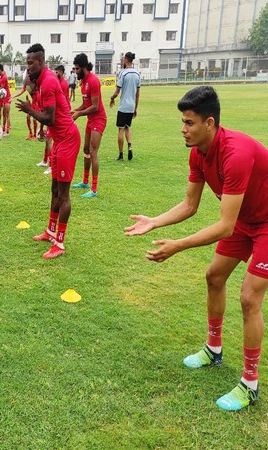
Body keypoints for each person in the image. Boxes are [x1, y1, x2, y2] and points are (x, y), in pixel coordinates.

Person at [125, 86, 268, 411]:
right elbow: (190, 205)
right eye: (182, 121)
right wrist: (155, 222)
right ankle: (214, 349)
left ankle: (249, 383)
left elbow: (224, 226)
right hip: (246, 221)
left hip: (266, 224)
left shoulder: (237, 154)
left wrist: (177, 245)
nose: (183, 128)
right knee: (214, 277)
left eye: (189, 122)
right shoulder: (198, 153)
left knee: (249, 298)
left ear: (210, 123)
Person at [16, 43, 81, 259]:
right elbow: (47, 115)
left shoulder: (50, 81)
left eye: (30, 63)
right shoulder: (41, 82)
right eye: (26, 63)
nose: (27, 67)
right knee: (54, 189)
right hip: (59, 140)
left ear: (41, 61)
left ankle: (59, 244)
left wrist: (29, 110)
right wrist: (42, 128)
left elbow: (49, 117)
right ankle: (50, 231)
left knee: (63, 194)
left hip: (68, 140)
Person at [71, 53, 107, 199]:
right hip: (90, 119)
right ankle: (85, 182)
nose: (75, 71)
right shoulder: (82, 82)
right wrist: (75, 110)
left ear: (84, 67)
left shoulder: (93, 81)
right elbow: (86, 104)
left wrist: (79, 114)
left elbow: (95, 107)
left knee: (93, 152)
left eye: (77, 68)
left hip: (98, 119)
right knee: (85, 149)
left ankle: (94, 189)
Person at [109, 52, 140, 161]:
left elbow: (117, 91)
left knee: (121, 129)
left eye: (123, 59)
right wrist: (135, 108)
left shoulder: (123, 73)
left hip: (123, 106)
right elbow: (137, 93)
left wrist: (112, 98)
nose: (123, 61)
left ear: (126, 59)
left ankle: (121, 154)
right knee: (127, 127)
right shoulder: (137, 74)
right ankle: (130, 146)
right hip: (131, 106)